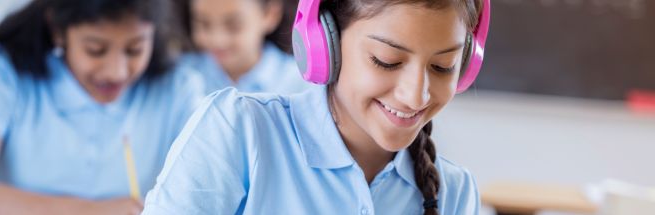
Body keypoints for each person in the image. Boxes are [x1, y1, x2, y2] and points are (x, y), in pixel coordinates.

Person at [143, 0, 490, 214]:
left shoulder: (454, 192)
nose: (416, 96)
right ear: (326, 44)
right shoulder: (238, 131)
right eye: (386, 61)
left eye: (442, 66)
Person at [0, 0, 203, 214]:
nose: (116, 72)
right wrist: (89, 211)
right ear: (58, 31)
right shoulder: (4, 71)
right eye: (95, 49)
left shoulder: (179, 88)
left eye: (135, 50)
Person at [176, 0, 311, 94]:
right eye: (203, 24)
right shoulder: (179, 77)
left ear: (270, 14)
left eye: (234, 26)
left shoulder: (301, 84)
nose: (217, 40)